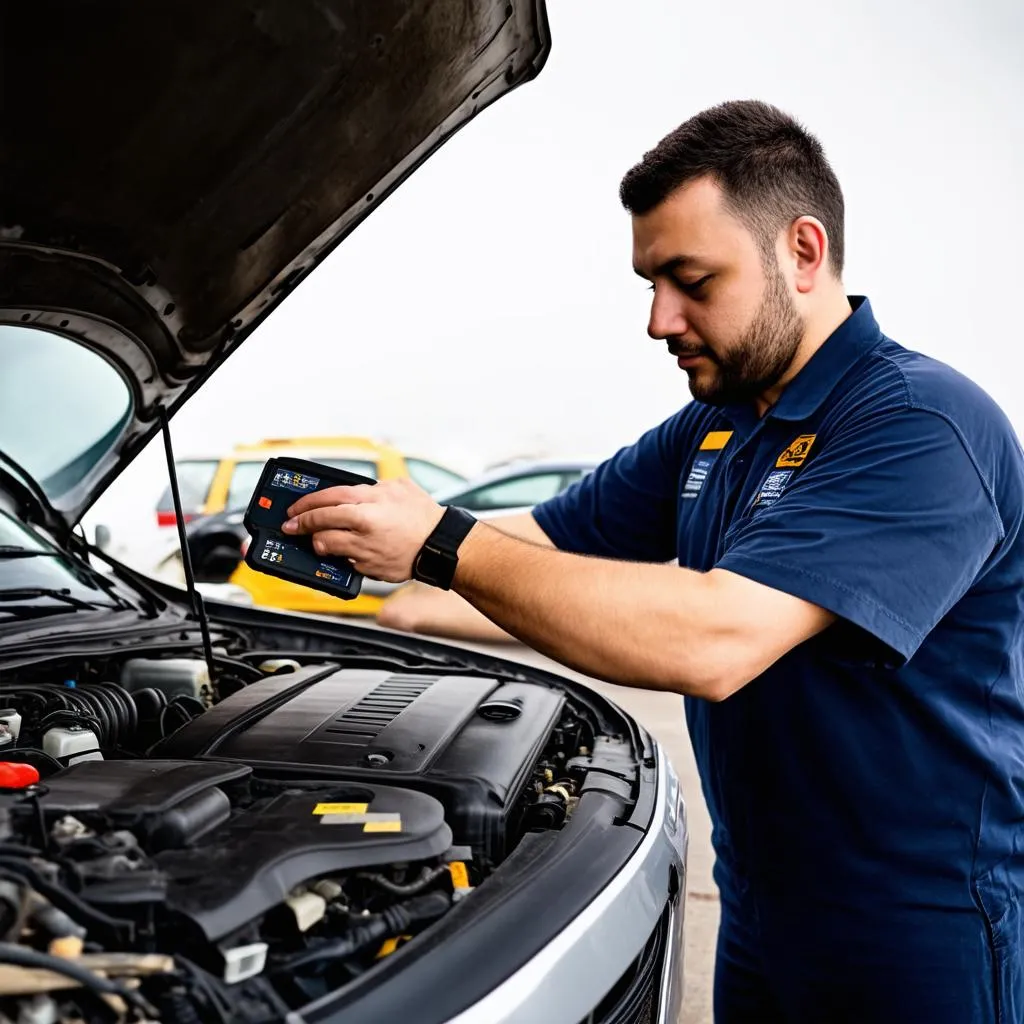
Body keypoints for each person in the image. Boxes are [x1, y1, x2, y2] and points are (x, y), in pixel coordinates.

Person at [281, 100, 1024, 1023]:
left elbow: (715, 639)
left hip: (917, 930)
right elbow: (535, 553)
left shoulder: (919, 426)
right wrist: (383, 558)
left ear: (801, 251)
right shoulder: (718, 425)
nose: (659, 319)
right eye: (649, 283)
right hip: (758, 914)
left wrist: (441, 545)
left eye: (691, 280)